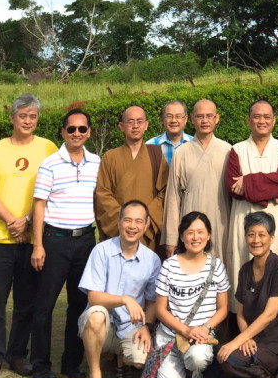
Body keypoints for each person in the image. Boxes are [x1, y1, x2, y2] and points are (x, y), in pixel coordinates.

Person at [0, 93, 58, 378]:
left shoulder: (48, 147)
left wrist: (27, 223)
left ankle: (17, 354)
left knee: (26, 302)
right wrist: (13, 221)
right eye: (22, 115)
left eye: (33, 116)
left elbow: (53, 191)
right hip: (0, 237)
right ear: (12, 118)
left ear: (38, 119)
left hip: (32, 237)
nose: (27, 120)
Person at [29, 108, 101, 378]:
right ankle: (40, 364)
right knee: (44, 305)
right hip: (55, 241)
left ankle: (71, 362)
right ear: (62, 132)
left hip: (85, 241)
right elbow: (39, 204)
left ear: (89, 132)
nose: (77, 134)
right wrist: (38, 245)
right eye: (71, 129)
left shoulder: (97, 162)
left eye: (82, 129)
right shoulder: (50, 164)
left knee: (79, 304)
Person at [77, 200, 161, 378]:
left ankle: (122, 361)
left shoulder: (152, 260)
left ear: (146, 225)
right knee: (96, 315)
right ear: (119, 221)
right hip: (102, 323)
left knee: (141, 361)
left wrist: (147, 327)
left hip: (130, 325)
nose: (132, 226)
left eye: (139, 221)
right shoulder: (101, 251)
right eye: (128, 220)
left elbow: (151, 302)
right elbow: (93, 296)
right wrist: (124, 300)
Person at [206, 210, 278, 378]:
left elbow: (269, 315)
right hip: (251, 340)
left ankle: (272, 371)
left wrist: (236, 341)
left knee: (227, 359)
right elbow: (241, 312)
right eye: (251, 234)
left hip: (274, 345)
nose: (256, 240)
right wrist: (246, 337)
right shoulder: (245, 269)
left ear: (271, 238)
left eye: (262, 235)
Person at [153, 211, 230, 378]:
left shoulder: (217, 266)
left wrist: (204, 328)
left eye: (200, 232)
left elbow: (223, 308)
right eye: (189, 232)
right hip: (171, 337)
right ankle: (176, 372)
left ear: (209, 235)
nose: (195, 237)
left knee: (197, 357)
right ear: (181, 236)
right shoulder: (169, 266)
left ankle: (194, 374)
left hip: (201, 337)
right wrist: (185, 330)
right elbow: (161, 310)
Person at [225, 100, 278, 302]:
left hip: (277, 221)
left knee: (277, 265)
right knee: (243, 264)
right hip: (243, 220)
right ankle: (243, 320)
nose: (261, 121)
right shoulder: (237, 150)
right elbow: (233, 188)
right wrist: (269, 192)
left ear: (273, 121)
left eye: (266, 117)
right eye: (256, 116)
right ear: (248, 121)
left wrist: (248, 181)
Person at [161, 99, 232, 262]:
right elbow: (173, 197)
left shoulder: (228, 150)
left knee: (220, 269)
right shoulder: (181, 152)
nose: (204, 121)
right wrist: (171, 238)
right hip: (190, 220)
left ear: (217, 118)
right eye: (199, 116)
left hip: (221, 221)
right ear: (192, 119)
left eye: (209, 116)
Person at [94, 106, 168, 249]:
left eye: (139, 121)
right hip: (118, 231)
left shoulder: (156, 155)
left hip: (148, 230)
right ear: (121, 126)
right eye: (130, 122)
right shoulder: (110, 157)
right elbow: (103, 195)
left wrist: (146, 222)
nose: (135, 126)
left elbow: (165, 192)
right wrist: (125, 223)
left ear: (146, 125)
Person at [147, 100, 193, 166]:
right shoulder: (150, 146)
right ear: (163, 119)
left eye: (178, 116)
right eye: (169, 116)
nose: (173, 120)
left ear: (185, 119)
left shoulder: (195, 145)